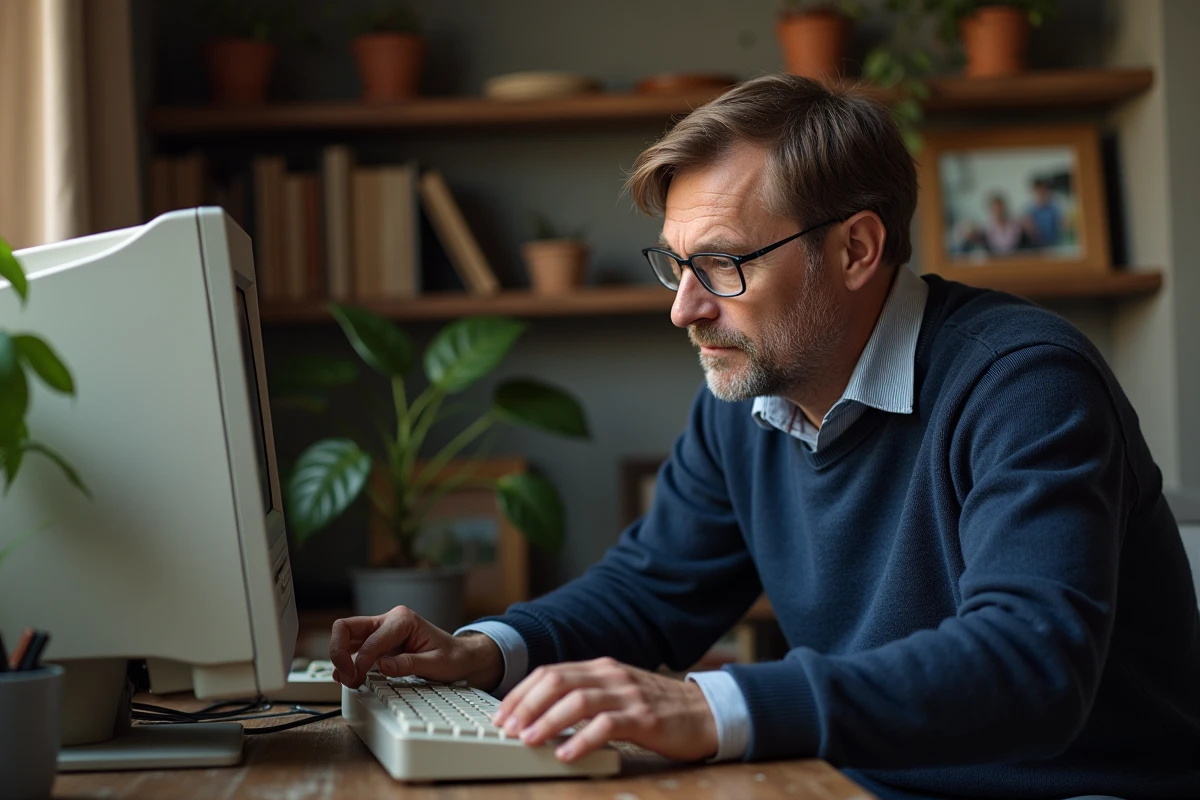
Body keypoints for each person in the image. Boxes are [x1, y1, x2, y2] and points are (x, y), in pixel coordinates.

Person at [328, 75, 1200, 800]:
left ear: (857, 249)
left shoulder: (1025, 381)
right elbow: (654, 592)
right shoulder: (745, 396)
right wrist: (486, 651)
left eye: (722, 264)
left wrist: (712, 707)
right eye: (675, 264)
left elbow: (1030, 662)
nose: (684, 307)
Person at [1027, 177, 1064, 248]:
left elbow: (1062, 226)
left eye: (1044, 191)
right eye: (1039, 191)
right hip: (1036, 248)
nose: (1042, 194)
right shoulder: (1029, 210)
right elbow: (1030, 231)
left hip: (1054, 246)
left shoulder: (1055, 209)